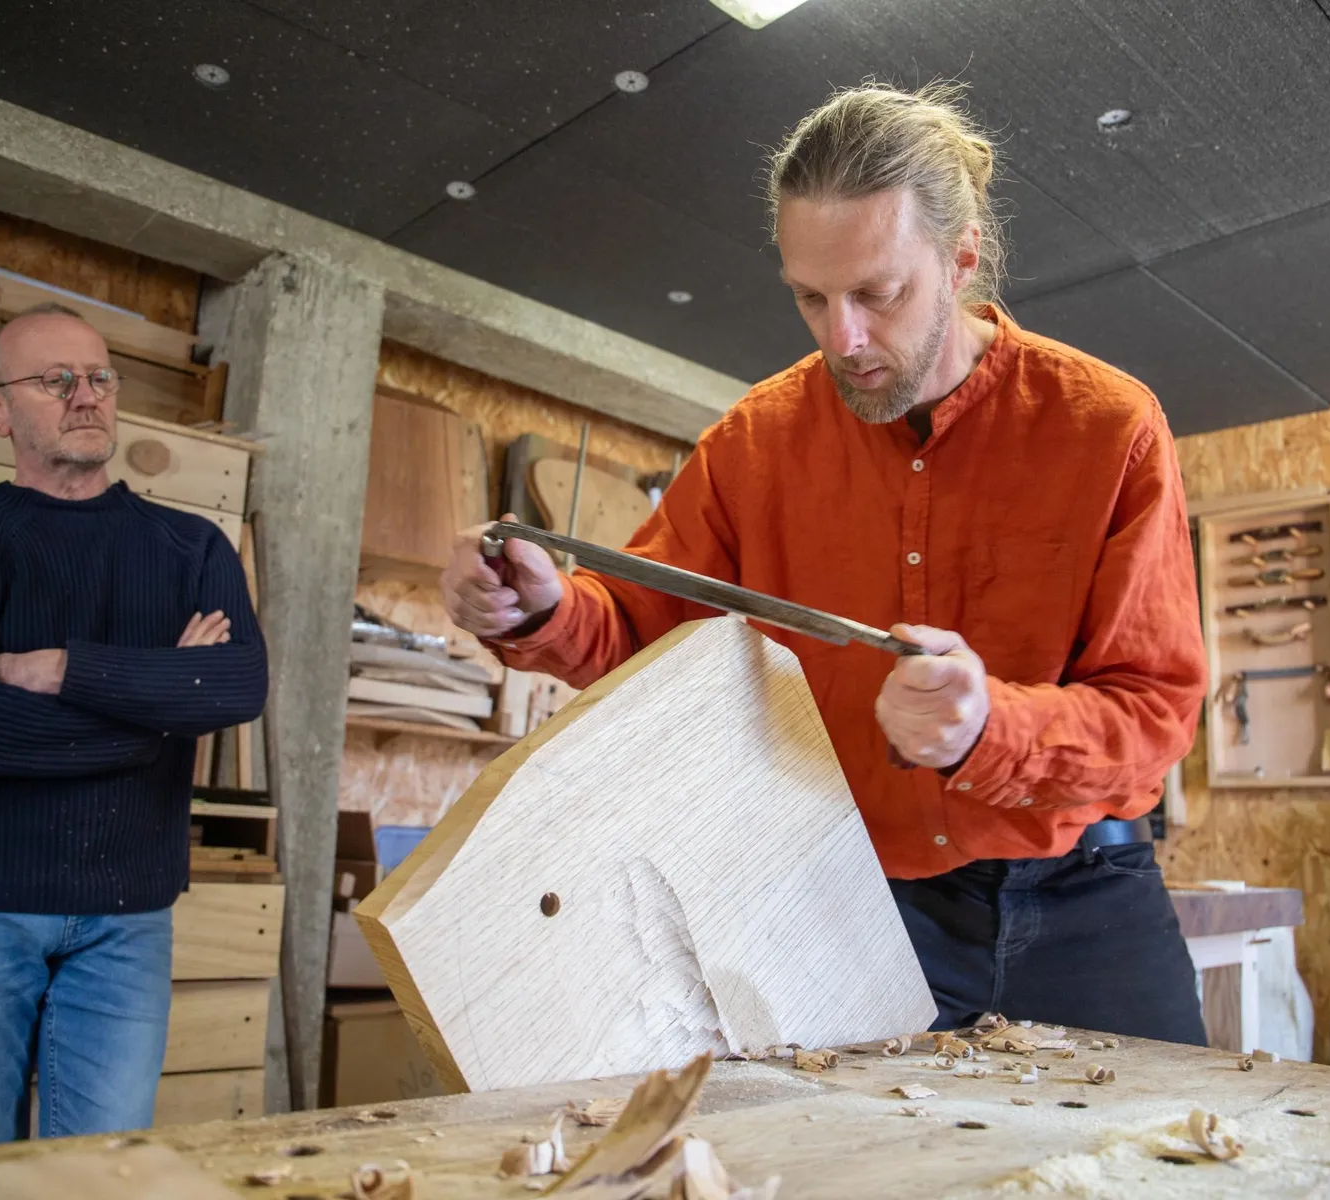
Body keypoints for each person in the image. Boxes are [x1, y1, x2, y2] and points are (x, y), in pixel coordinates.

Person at [440, 83, 1208, 1043]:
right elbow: (639, 632)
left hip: (1085, 896)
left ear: (961, 254)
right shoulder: (755, 442)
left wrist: (992, 726)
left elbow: (1156, 711)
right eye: (811, 297)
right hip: (856, 902)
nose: (841, 338)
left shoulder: (1107, 427)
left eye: (877, 294)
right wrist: (540, 609)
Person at [0, 303, 269, 1146]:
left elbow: (235, 686)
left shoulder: (191, 548)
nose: (84, 396)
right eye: (56, 381)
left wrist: (62, 669)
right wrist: (158, 709)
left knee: (100, 1174)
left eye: (98, 378)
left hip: (126, 917)